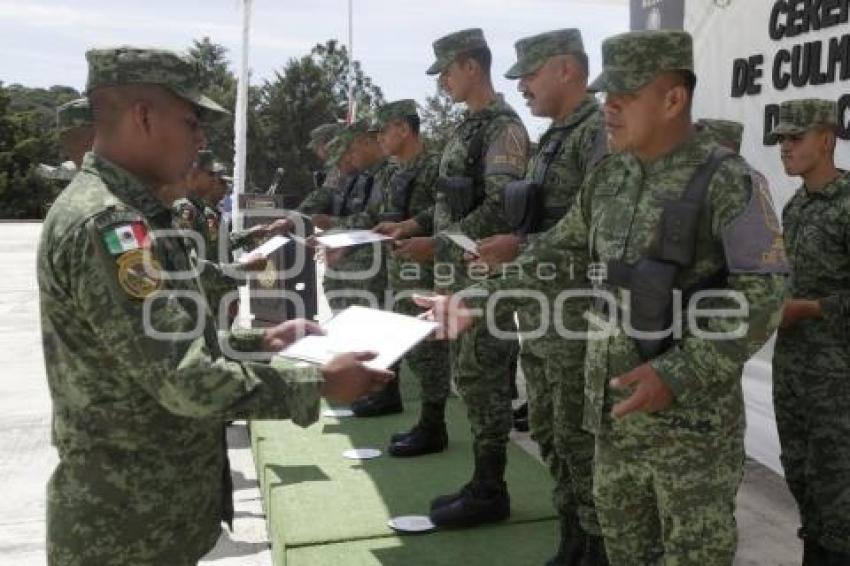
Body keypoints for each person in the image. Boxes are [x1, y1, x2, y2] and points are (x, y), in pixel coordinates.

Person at [417, 30, 788, 564]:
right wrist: (478, 299)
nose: (608, 108)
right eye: (606, 94)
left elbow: (764, 294)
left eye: (624, 96)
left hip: (690, 429)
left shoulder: (729, 180)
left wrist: (677, 372)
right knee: (621, 549)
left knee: (693, 554)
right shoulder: (608, 178)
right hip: (611, 416)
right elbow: (556, 254)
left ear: (673, 98)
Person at [38, 46, 392, 566]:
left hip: (151, 513)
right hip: (124, 526)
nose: (201, 140)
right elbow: (182, 378)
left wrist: (262, 341)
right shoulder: (109, 224)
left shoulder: (139, 214)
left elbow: (163, 340)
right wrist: (317, 383)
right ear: (142, 116)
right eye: (191, 121)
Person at [375, 28, 530, 529]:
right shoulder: (467, 128)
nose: (442, 81)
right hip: (458, 272)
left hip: (484, 275)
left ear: (470, 66)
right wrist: (413, 226)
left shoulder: (503, 128)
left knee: (485, 381)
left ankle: (492, 488)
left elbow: (500, 206)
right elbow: (449, 203)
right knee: (470, 374)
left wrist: (436, 244)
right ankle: (483, 482)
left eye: (446, 70)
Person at [481, 28, 606, 564]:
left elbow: (602, 227)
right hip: (543, 313)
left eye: (530, 75)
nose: (523, 88)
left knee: (583, 441)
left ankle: (597, 547)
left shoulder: (597, 132)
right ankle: (573, 539)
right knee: (553, 434)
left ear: (566, 70)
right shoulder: (553, 137)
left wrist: (520, 244)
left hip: (578, 316)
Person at [771, 98, 850, 565]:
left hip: (838, 376)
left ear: (827, 139)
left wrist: (812, 308)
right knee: (801, 476)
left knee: (839, 488)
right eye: (781, 139)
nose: (785, 147)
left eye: (795, 138)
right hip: (795, 368)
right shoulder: (795, 206)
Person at [347, 99, 452, 447]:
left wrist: (412, 229)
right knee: (407, 347)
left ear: (404, 129)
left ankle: (433, 425)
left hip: (426, 273)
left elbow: (446, 213)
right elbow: (373, 215)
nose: (379, 139)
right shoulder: (392, 171)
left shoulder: (438, 166)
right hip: (396, 272)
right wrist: (340, 237)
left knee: (430, 351)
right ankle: (397, 401)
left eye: (383, 131)